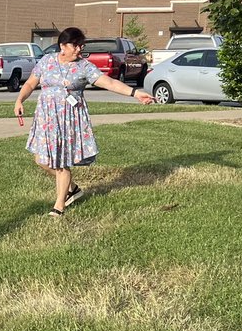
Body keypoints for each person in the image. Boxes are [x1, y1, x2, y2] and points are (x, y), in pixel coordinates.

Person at [13, 26, 154, 217]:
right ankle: (72, 188)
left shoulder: (84, 66)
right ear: (63, 46)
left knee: (62, 163)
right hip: (46, 118)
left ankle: (59, 206)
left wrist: (135, 93)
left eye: (81, 45)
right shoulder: (47, 61)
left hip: (69, 119)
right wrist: (20, 100)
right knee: (41, 160)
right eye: (76, 45)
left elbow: (109, 82)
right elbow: (30, 83)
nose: (79, 49)